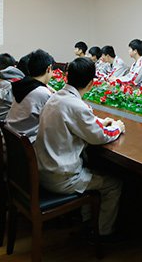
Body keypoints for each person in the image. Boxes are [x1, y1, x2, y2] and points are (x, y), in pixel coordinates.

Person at [34, 57, 125, 238]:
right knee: (114, 184)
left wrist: (99, 121)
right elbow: (99, 136)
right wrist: (117, 127)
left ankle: (86, 219)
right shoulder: (76, 105)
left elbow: (78, 120)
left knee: (93, 167)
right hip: (61, 178)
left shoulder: (56, 97)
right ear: (91, 83)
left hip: (43, 171)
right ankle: (103, 232)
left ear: (67, 76)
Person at [5, 49, 54, 143]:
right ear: (49, 68)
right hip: (27, 143)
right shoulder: (43, 93)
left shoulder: (21, 84)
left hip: (12, 138)